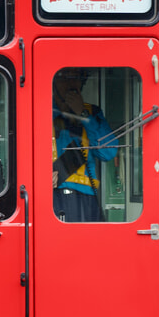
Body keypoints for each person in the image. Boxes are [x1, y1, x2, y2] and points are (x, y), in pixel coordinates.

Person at [51, 69, 117, 222]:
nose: (71, 84)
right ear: (54, 82)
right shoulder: (40, 111)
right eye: (65, 78)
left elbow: (109, 153)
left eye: (76, 78)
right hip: (53, 196)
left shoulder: (92, 112)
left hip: (86, 197)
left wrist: (83, 114)